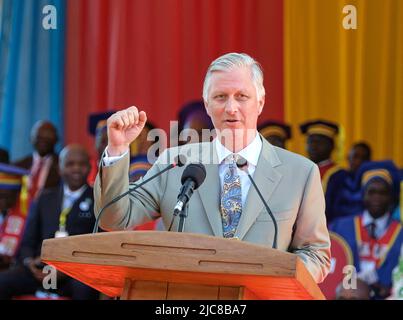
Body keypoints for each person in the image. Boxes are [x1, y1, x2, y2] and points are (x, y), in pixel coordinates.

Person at [94, 52, 331, 283]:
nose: (231, 108)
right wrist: (117, 148)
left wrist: (279, 282)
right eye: (220, 97)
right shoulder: (175, 163)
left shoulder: (300, 173)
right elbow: (114, 218)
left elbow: (315, 254)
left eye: (241, 96)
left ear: (260, 102)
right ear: (207, 105)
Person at [0, 145, 98, 299]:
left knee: (85, 290)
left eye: (82, 164)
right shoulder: (44, 198)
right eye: (70, 164)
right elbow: (27, 242)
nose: (76, 169)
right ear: (60, 168)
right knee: (3, 281)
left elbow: (99, 247)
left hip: (77, 273)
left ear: (89, 167)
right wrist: (29, 262)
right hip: (40, 269)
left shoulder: (99, 200)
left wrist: (69, 268)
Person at [330, 160, 403, 299]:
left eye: (383, 193)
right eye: (372, 192)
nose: (377, 197)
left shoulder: (401, 233)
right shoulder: (339, 227)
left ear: (391, 197)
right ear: (363, 195)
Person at [13, 121, 60, 201]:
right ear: (31, 138)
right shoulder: (17, 166)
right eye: (39, 137)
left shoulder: (62, 166)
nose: (43, 141)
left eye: (48, 138)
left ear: (56, 140)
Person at [0, 163, 30, 270]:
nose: (3, 202)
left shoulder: (26, 213)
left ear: (17, 195)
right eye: (0, 196)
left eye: (8, 197)